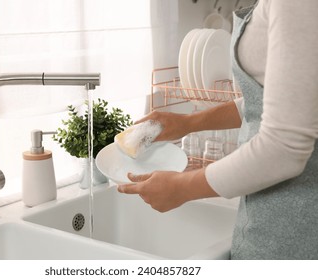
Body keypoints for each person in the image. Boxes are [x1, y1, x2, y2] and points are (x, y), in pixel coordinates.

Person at [117, 0, 318, 259]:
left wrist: (181, 187)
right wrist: (188, 123)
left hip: (296, 231)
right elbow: (283, 100)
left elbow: (284, 147)